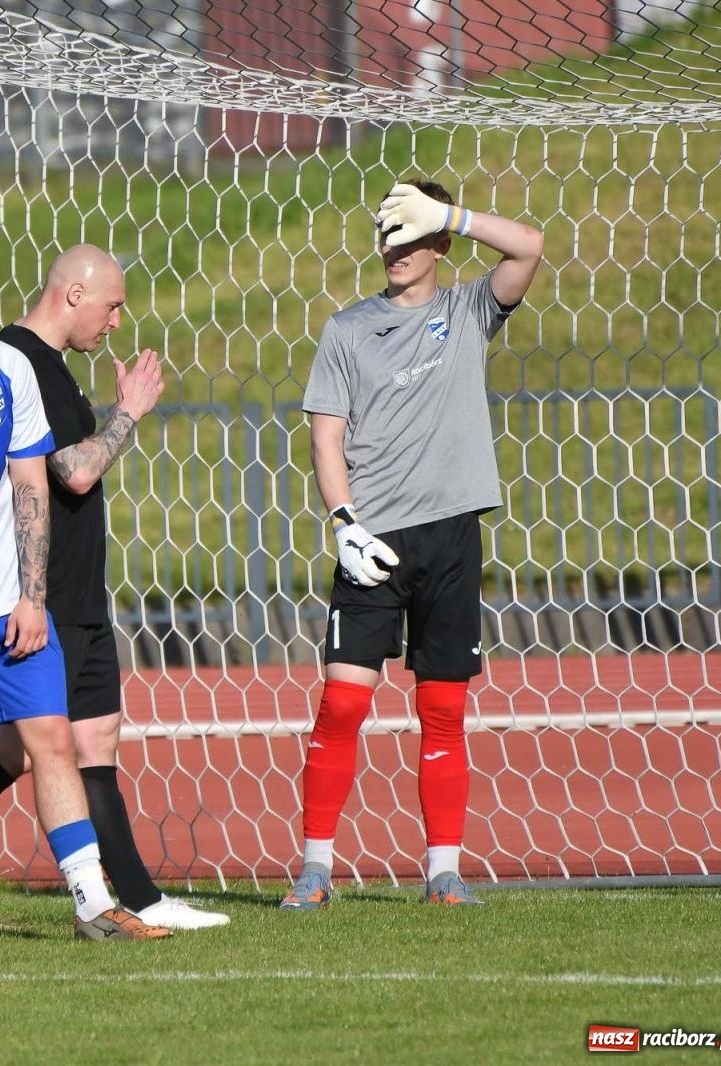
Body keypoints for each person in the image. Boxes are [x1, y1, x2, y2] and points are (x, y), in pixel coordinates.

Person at [0, 245, 227, 939]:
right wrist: (128, 414)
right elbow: (72, 471)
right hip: (38, 594)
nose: (117, 322)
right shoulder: (17, 359)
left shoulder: (45, 366)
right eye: (113, 305)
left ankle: (123, 899)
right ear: (73, 295)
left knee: (84, 739)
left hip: (77, 591)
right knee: (25, 746)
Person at [281, 181, 544, 909]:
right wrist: (344, 524)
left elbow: (530, 245)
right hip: (372, 541)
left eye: (410, 232)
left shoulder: (468, 310)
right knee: (340, 704)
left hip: (452, 535)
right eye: (386, 232)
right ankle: (314, 868)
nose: (393, 246)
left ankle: (443, 874)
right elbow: (325, 437)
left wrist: (451, 214)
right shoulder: (346, 330)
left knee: (442, 710)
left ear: (440, 245)